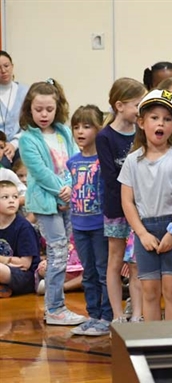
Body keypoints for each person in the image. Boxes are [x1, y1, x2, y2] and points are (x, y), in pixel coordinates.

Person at [118, 90, 172, 321]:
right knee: (149, 292)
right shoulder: (132, 160)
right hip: (145, 231)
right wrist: (141, 233)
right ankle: (154, 345)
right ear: (141, 122)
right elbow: (127, 201)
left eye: (167, 119)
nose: (161, 123)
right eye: (154, 118)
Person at [18, 79, 86, 326]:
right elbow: (39, 171)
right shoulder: (27, 139)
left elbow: (72, 160)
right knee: (56, 252)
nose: (44, 114)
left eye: (49, 109)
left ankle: (57, 306)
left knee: (63, 253)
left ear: (58, 108)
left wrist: (69, 187)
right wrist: (61, 190)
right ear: (29, 109)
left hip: (66, 198)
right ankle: (54, 308)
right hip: (46, 202)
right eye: (38, 110)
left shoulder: (64, 132)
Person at [96, 77, 146, 324]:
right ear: (119, 106)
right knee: (115, 260)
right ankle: (116, 314)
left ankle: (137, 313)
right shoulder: (105, 137)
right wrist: (129, 200)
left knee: (136, 263)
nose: (141, 111)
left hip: (141, 207)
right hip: (116, 208)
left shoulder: (142, 132)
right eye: (137, 105)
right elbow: (110, 176)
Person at [66, 105, 112, 335]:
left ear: (98, 129)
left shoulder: (103, 160)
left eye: (86, 126)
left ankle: (108, 315)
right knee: (88, 272)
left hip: (100, 225)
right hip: (79, 225)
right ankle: (93, 314)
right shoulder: (72, 161)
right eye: (76, 127)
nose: (80, 131)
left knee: (104, 271)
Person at [0, 180, 40, 298]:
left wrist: (2, 260)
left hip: (25, 276)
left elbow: (25, 264)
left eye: (15, 197)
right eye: (5, 197)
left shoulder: (24, 227)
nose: (11, 200)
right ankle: (3, 288)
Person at [0, 51, 28, 167]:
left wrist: (14, 144)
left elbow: (30, 125)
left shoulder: (26, 92)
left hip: (22, 143)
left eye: (6, 66)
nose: (3, 71)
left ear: (12, 66)